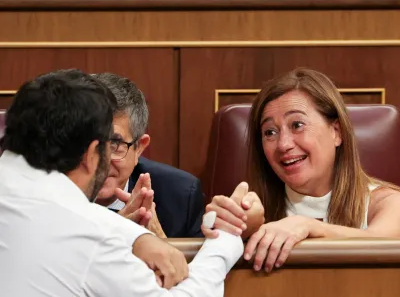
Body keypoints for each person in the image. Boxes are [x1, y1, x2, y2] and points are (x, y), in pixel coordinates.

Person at [0, 69, 243, 296]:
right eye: (110, 146)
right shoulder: (88, 237)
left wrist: (135, 236)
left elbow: (58, 207)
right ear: (92, 153)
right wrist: (226, 239)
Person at [203, 67, 400, 273]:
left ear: (336, 132)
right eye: (270, 132)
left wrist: (309, 227)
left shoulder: (389, 203)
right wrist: (240, 230)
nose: (283, 144)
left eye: (297, 125)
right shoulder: (254, 208)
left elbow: (383, 245)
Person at [92, 73, 204, 238]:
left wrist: (159, 242)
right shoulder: (49, 194)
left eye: (115, 144)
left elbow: (196, 263)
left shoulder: (180, 194)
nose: (100, 161)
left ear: (139, 148)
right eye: (90, 144)